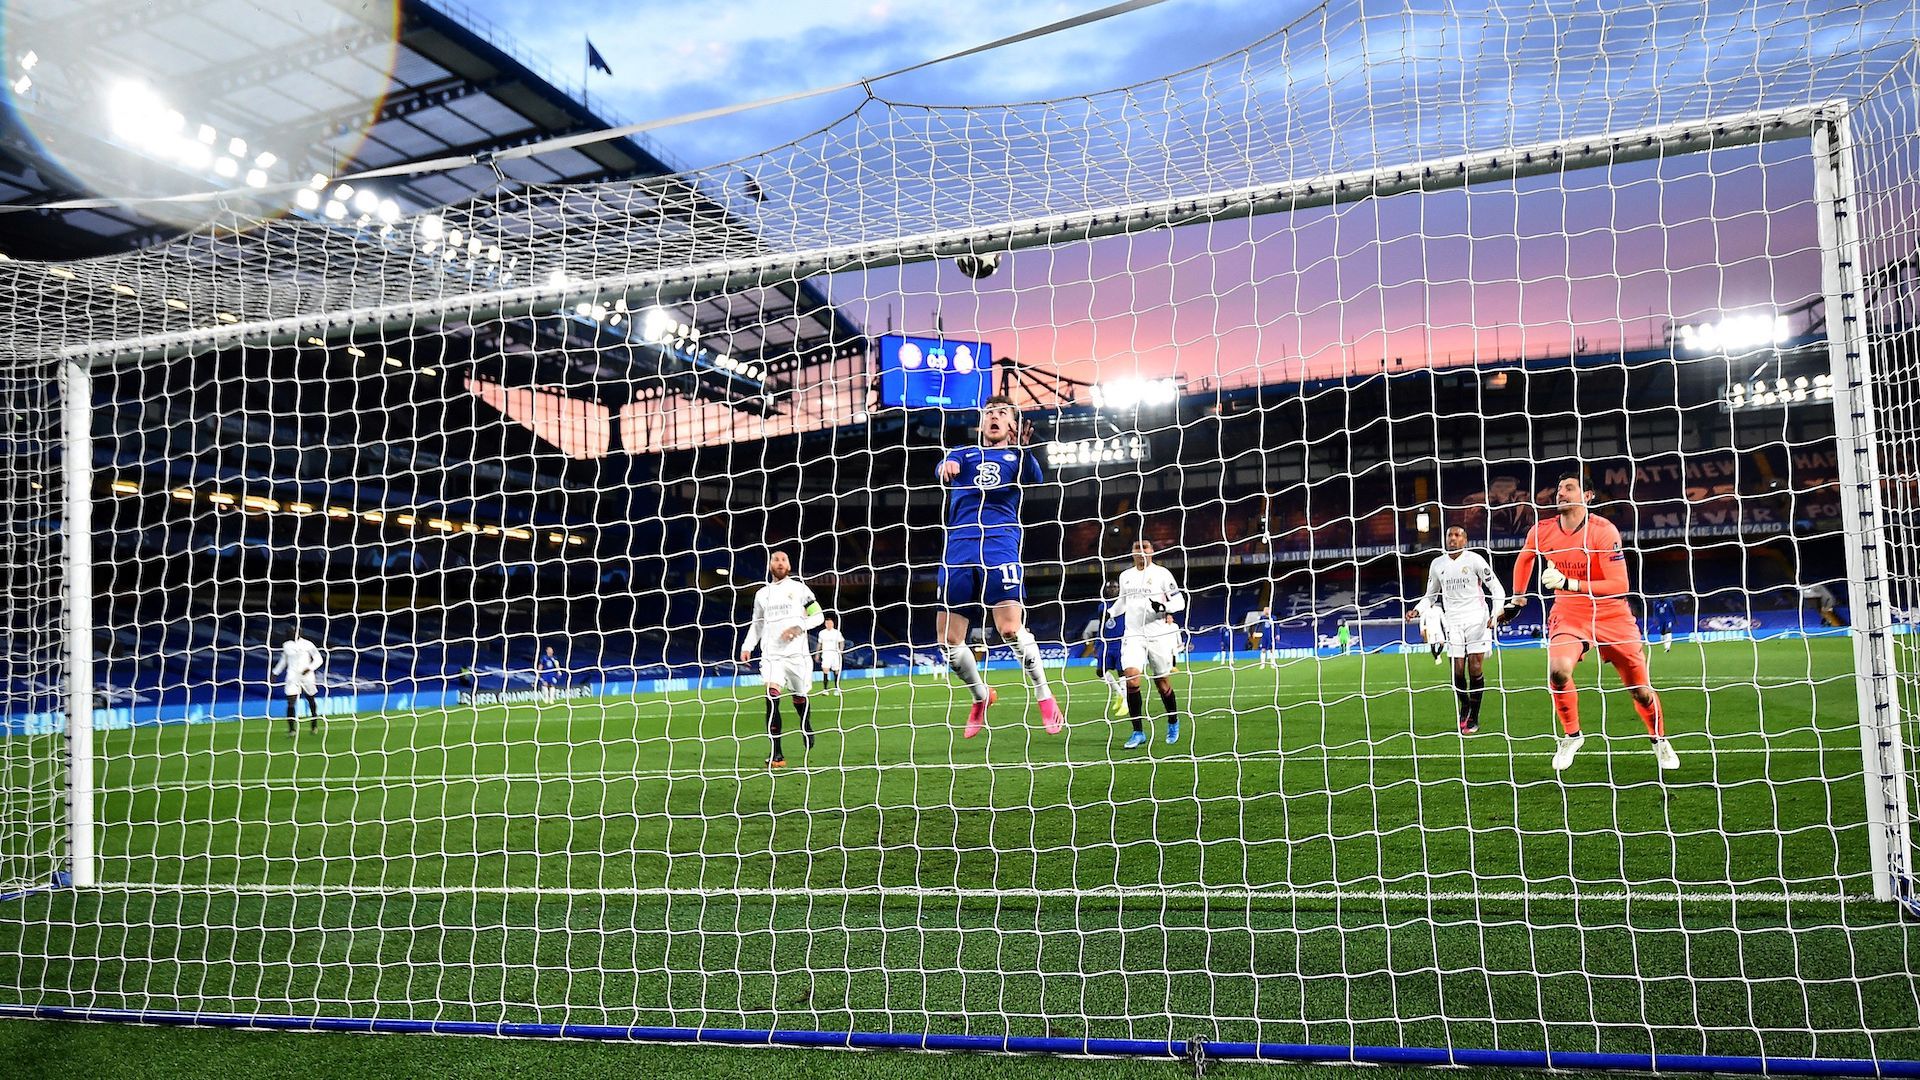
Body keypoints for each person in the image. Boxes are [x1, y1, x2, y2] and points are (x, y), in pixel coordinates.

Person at [1501, 471, 1678, 771]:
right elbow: (1525, 557)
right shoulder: (1542, 530)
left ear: (1588, 496)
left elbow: (1619, 585)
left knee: (1640, 691)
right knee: (1558, 671)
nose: (1561, 493)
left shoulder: (1603, 531)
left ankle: (1659, 739)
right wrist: (1518, 598)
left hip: (1612, 614)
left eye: (1570, 488)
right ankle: (1572, 735)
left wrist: (1570, 583)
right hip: (1570, 613)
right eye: (1559, 488)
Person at [934, 395, 1063, 738]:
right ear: (982, 422)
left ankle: (1044, 694)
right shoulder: (962, 453)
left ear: (1011, 424)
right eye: (989, 412)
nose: (994, 416)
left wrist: (1024, 450)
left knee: (1009, 630)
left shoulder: (1017, 456)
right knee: (948, 640)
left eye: (1002, 413)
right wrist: (945, 467)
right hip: (959, 547)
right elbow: (942, 467)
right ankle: (981, 697)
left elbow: (1034, 478)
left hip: (999, 545)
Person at [1408, 525, 1505, 734]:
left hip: (1477, 619)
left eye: (1457, 535)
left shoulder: (1475, 560)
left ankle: (1474, 717)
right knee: (1457, 671)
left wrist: (1496, 613)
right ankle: (1465, 705)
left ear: (1465, 540)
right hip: (1453, 621)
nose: (1453, 538)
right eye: (1449, 535)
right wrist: (1416, 610)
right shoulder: (1437, 564)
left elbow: (1496, 587)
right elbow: (1430, 596)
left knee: (1475, 668)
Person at [741, 550, 824, 768]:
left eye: (783, 559)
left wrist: (799, 626)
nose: (779, 562)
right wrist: (747, 646)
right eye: (775, 559)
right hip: (772, 655)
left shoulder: (799, 589)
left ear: (789, 565)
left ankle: (805, 724)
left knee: (800, 696)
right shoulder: (762, 594)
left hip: (797, 655)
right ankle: (777, 754)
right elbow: (757, 623)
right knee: (771, 696)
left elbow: (818, 616)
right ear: (770, 565)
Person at [1108, 538, 1186, 747]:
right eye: (1137, 548)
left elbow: (1179, 601)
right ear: (1132, 552)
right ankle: (1138, 732)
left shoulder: (1162, 574)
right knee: (1132, 679)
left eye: (1145, 547)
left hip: (1158, 635)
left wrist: (1163, 607)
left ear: (1152, 552)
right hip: (1133, 635)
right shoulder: (1126, 576)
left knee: (1162, 683)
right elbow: (1123, 601)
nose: (1141, 551)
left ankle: (1173, 720)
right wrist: (1110, 613)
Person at [270, 625, 326, 734]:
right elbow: (283, 661)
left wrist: (309, 668)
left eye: (292, 631)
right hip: (292, 676)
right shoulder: (286, 646)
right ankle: (292, 729)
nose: (290, 633)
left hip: (307, 676)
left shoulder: (308, 644)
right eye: (289, 632)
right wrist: (275, 673)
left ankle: (314, 724)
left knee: (310, 698)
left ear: (299, 632)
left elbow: (319, 659)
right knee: (291, 701)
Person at [817, 618, 846, 694]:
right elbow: (819, 644)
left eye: (830, 623)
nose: (829, 625)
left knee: (836, 671)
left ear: (832, 624)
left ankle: (837, 688)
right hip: (826, 654)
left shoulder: (837, 633)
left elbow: (841, 642)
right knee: (825, 670)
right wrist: (817, 654)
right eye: (827, 623)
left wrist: (841, 651)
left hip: (835, 654)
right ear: (825, 624)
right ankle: (825, 689)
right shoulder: (822, 633)